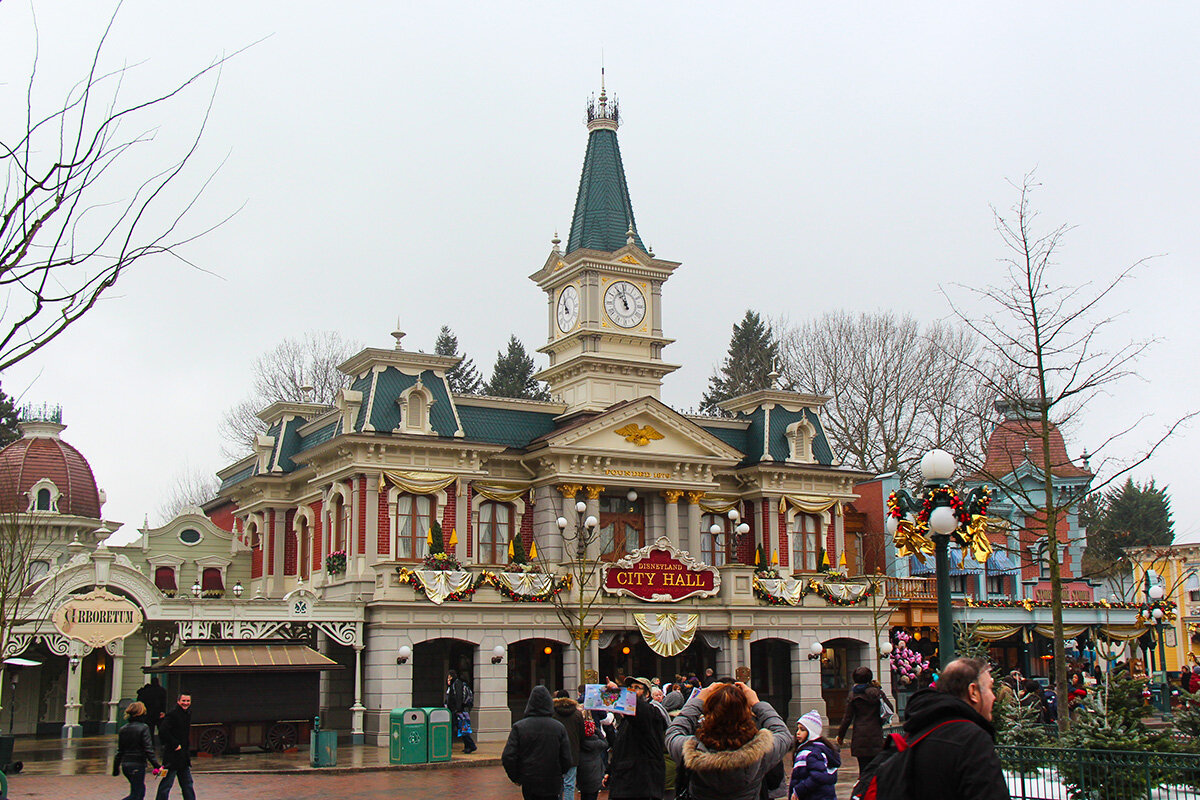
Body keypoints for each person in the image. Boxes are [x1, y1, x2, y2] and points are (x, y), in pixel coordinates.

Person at [895, 657, 1010, 800]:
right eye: (990, 689)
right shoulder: (972, 740)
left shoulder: (916, 733)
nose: (993, 697)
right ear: (973, 691)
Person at [664, 681, 793, 800]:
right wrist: (757, 703)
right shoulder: (761, 753)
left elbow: (673, 732)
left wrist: (697, 701)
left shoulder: (691, 750)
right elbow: (783, 734)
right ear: (746, 713)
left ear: (708, 713)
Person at [502, 685, 572, 800]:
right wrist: (559, 773)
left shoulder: (520, 727)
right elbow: (567, 758)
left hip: (529, 781)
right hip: (552, 781)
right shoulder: (558, 728)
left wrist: (517, 777)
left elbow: (508, 756)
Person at [605, 677, 667, 800]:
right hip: (625, 784)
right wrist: (610, 772)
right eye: (630, 688)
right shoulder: (626, 721)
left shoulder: (652, 713)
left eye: (637, 688)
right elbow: (620, 748)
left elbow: (639, 710)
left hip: (641, 786)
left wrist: (618, 692)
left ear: (647, 693)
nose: (632, 691)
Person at [835, 666, 887, 773]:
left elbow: (847, 718)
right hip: (876, 734)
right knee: (876, 770)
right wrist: (881, 722)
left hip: (860, 735)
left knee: (864, 770)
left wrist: (841, 735)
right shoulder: (878, 693)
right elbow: (888, 710)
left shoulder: (853, 695)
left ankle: (864, 788)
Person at [113, 701, 160, 800]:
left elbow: (120, 751)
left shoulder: (123, 729)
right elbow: (148, 749)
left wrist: (116, 767)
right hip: (137, 764)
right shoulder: (144, 728)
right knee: (136, 795)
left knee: (140, 791)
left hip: (126, 765)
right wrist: (156, 765)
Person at [789, 710, 839, 800]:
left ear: (811, 732)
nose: (798, 732)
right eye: (798, 729)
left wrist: (798, 790)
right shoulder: (816, 750)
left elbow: (817, 776)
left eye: (802, 729)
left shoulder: (811, 752)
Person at [155, 693, 194, 800]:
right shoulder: (172, 714)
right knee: (167, 783)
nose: (186, 703)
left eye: (188, 701)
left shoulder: (187, 714)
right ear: (178, 701)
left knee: (187, 783)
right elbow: (163, 731)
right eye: (183, 701)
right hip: (172, 756)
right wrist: (175, 744)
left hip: (183, 756)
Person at [553, 689, 585, 800]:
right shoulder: (577, 714)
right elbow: (582, 734)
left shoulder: (553, 714)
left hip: (556, 753)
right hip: (573, 752)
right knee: (569, 784)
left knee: (557, 784)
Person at [577, 715, 610, 800]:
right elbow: (605, 743)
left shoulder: (579, 744)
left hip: (583, 775)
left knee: (584, 796)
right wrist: (597, 731)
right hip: (595, 775)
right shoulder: (598, 743)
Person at [445, 670, 477, 754]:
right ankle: (468, 746)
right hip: (457, 711)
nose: (448, 678)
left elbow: (458, 697)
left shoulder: (457, 684)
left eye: (449, 677)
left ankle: (471, 746)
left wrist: (457, 709)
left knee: (463, 729)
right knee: (462, 729)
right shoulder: (453, 685)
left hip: (460, 711)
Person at [136, 677, 167, 746]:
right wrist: (163, 711)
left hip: (148, 714)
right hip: (159, 714)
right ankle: (163, 744)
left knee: (150, 730)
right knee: (162, 729)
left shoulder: (145, 691)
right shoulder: (161, 691)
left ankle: (151, 745)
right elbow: (164, 702)